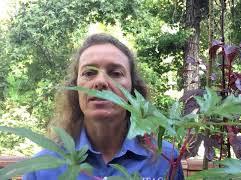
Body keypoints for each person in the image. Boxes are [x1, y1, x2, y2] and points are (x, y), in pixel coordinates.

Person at [23, 33, 184, 180]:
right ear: (75, 87)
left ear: (133, 90)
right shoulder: (41, 169)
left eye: (115, 73)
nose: (100, 81)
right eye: (89, 73)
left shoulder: (165, 159)